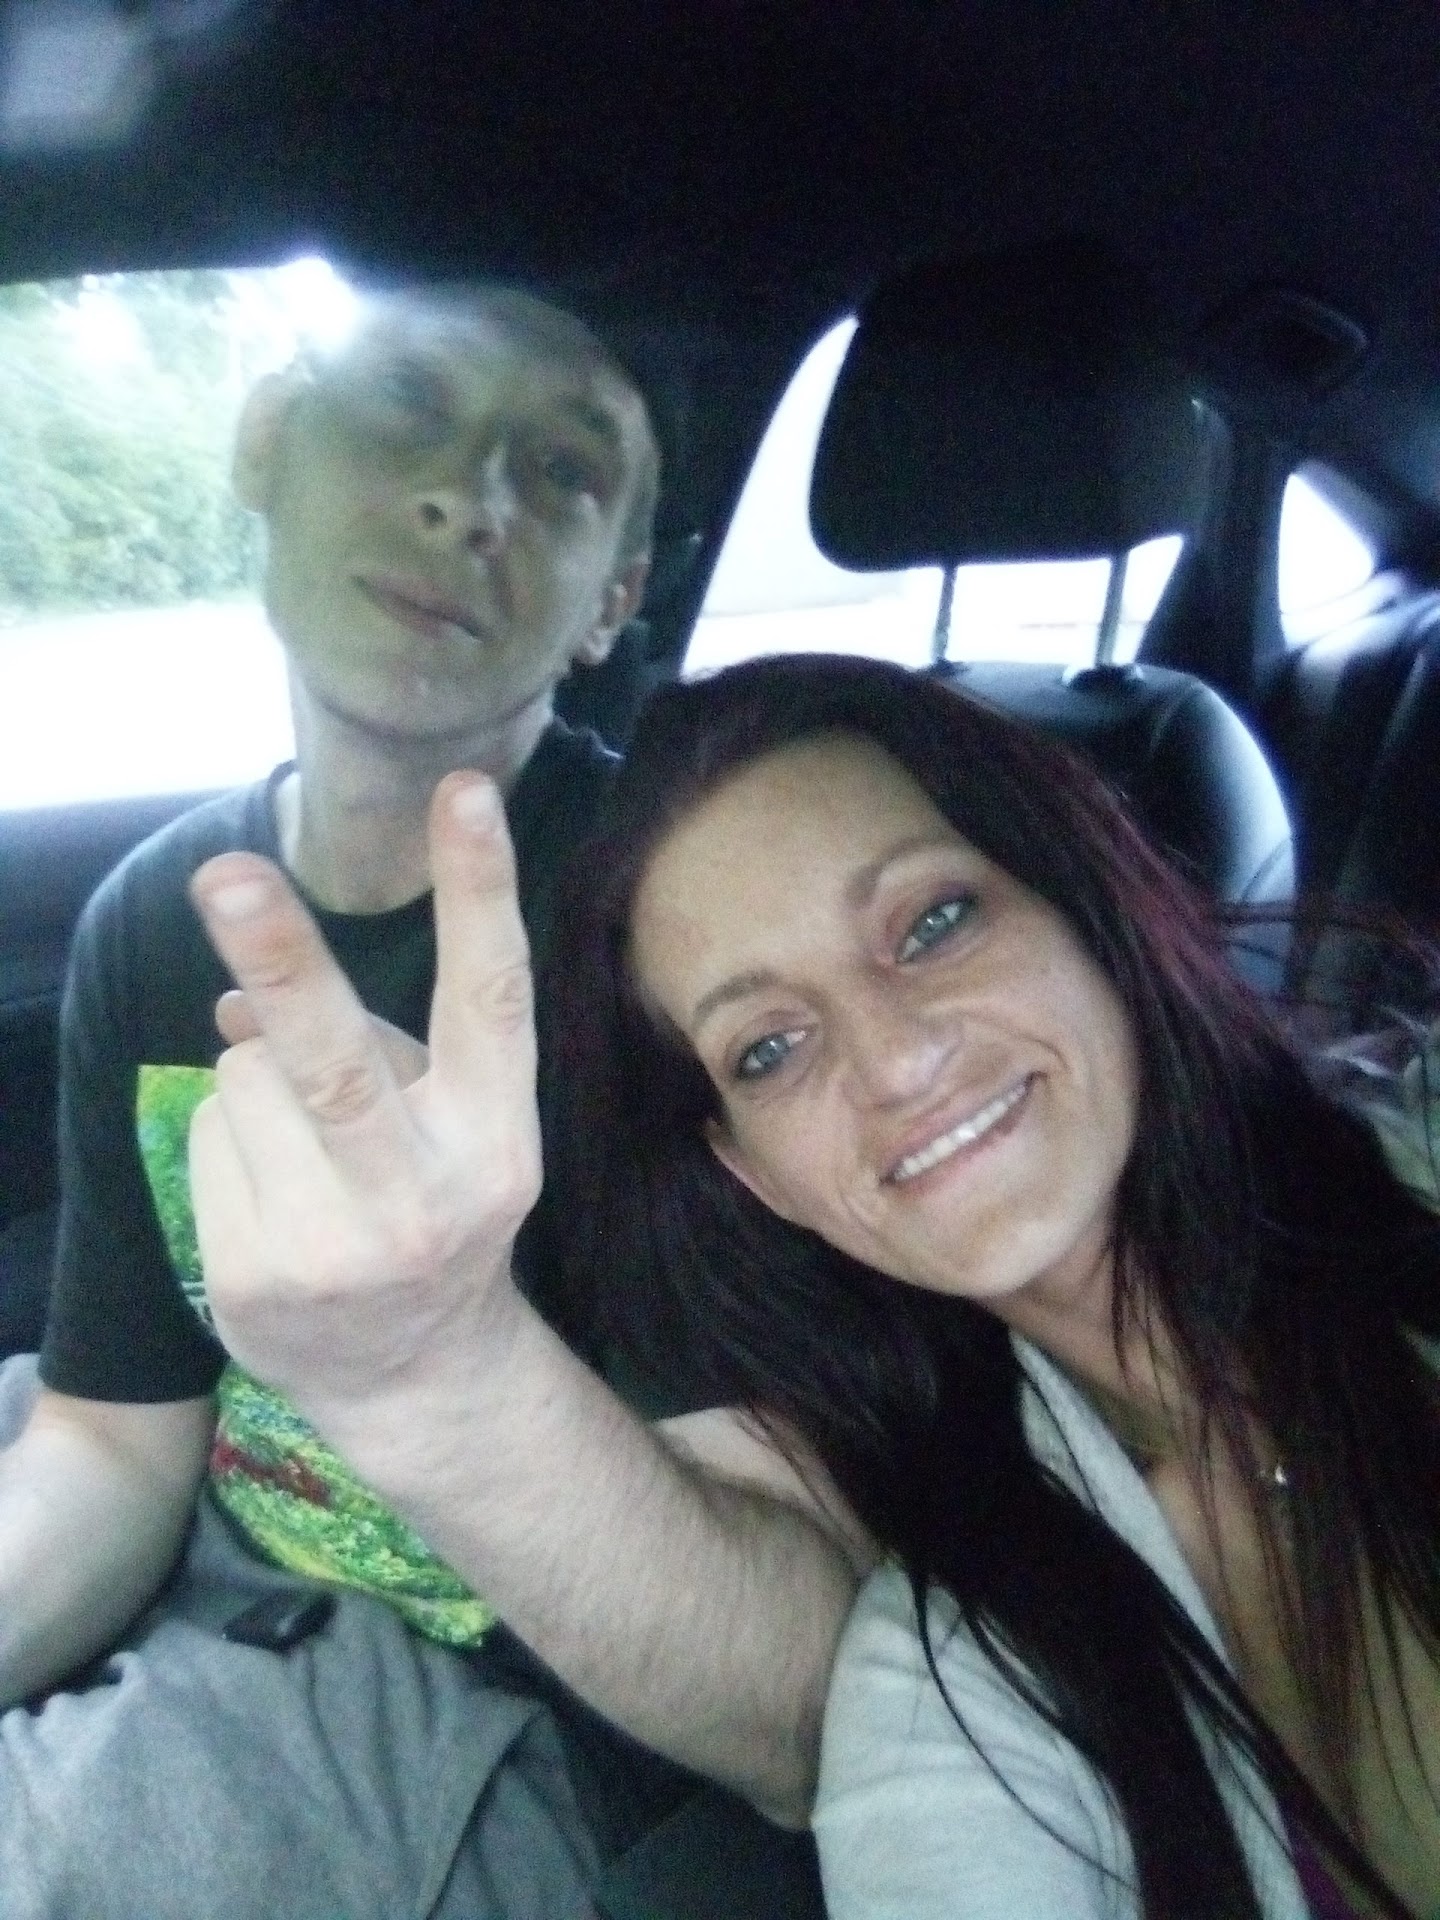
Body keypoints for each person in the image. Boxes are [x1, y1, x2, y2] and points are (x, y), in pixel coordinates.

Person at [205, 648, 1438, 1916]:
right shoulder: (952, 1678)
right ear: (760, 1178)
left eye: (933, 923)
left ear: (1084, 909)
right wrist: (431, 1369)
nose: (897, 1062)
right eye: (770, 1048)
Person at [0, 290, 852, 1918]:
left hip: (488, 1693)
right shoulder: (152, 917)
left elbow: (806, 1713)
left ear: (611, 601)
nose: (471, 496)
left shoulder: (682, 930)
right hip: (217, 1533)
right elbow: (112, 1440)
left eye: (563, 467)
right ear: (267, 444)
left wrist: (436, 1360)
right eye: (406, 402)